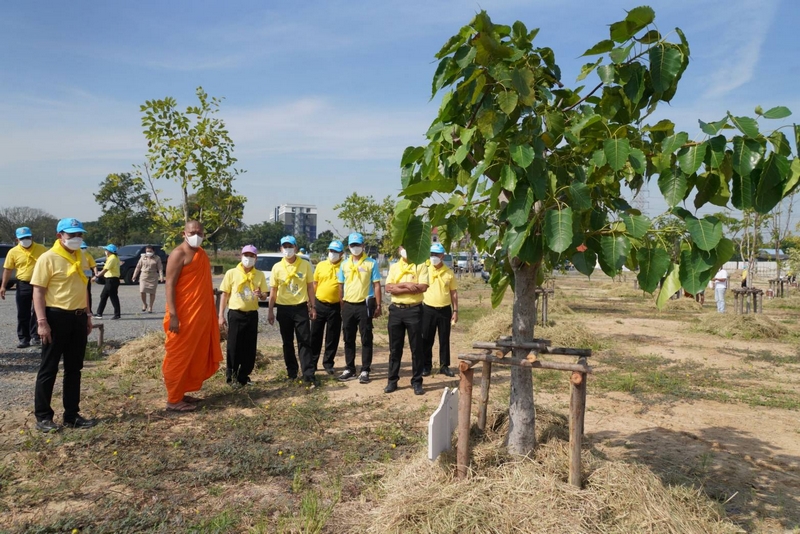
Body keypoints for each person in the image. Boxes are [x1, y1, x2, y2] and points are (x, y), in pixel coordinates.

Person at [31, 218, 97, 432]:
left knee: (74, 368)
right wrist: (42, 322)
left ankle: (72, 415)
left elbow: (84, 287)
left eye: (79, 235)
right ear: (60, 236)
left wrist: (87, 315)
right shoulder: (48, 258)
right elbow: (38, 292)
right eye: (71, 235)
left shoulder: (81, 256)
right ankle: (43, 417)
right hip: (55, 317)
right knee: (49, 368)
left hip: (78, 317)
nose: (76, 238)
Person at [162, 220, 223, 412]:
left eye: (199, 233)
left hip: (200, 316)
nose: (196, 235)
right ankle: (173, 400)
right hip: (183, 316)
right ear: (184, 234)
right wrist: (173, 315)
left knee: (195, 354)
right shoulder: (178, 254)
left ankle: (181, 392)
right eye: (192, 232)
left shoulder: (201, 253)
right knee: (178, 356)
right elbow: (169, 285)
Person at [267, 236, 317, 385]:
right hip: (283, 308)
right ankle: (292, 372)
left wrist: (313, 307)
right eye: (285, 246)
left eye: (290, 246)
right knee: (287, 342)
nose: (288, 249)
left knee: (304, 341)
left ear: (296, 248)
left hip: (300, 308)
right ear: (281, 248)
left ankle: (308, 374)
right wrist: (270, 310)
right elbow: (273, 290)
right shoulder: (277, 267)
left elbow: (310, 287)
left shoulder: (304, 265)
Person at [218, 245, 267, 388]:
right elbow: (225, 294)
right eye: (246, 255)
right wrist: (220, 315)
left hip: (252, 314)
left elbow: (265, 295)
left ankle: (244, 376)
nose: (248, 259)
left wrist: (261, 295)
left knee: (249, 347)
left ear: (256, 258)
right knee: (234, 346)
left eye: (252, 256)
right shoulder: (232, 273)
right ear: (241, 256)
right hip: (236, 314)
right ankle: (231, 377)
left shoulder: (259, 275)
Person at [337, 233, 382, 384]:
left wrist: (378, 305)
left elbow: (376, 285)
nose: (355, 248)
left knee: (366, 338)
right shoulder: (344, 264)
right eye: (352, 245)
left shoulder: (371, 263)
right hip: (348, 305)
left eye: (358, 245)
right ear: (349, 247)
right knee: (348, 338)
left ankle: (365, 370)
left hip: (364, 305)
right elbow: (340, 285)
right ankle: (350, 368)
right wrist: (342, 303)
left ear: (363, 246)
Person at [384, 245, 429, 395]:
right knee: (394, 348)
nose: (406, 250)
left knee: (416, 347)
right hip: (396, 310)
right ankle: (392, 381)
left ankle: (417, 381)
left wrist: (398, 288)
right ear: (399, 250)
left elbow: (423, 287)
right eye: (403, 247)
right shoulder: (394, 267)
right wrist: (407, 285)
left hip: (414, 310)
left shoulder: (420, 265)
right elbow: (388, 288)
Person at [1, 227, 47, 348]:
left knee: (38, 311)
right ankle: (24, 338)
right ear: (17, 240)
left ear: (32, 237)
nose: (26, 240)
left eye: (27, 237)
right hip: (23, 284)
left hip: (39, 284)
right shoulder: (13, 252)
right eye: (22, 238)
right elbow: (8, 269)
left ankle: (36, 336)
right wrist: (3, 286)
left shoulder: (41, 249)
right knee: (23, 312)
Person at [421, 243, 458, 377]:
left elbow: (453, 292)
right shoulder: (425, 269)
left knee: (444, 338)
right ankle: (426, 366)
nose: (434, 257)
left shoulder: (449, 273)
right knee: (426, 338)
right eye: (432, 254)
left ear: (442, 256)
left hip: (444, 310)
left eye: (436, 254)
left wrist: (455, 311)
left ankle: (444, 366)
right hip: (428, 309)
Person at [311, 240, 344, 375]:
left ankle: (328, 363)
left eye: (336, 251)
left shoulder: (345, 266)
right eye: (331, 251)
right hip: (319, 304)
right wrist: (311, 304)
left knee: (332, 336)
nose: (332, 253)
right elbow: (314, 284)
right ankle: (312, 363)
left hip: (336, 306)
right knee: (315, 335)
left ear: (341, 253)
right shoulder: (321, 265)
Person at [132, 245, 165, 313]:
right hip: (144, 276)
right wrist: (134, 275)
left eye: (150, 251)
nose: (148, 252)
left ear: (153, 251)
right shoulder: (142, 257)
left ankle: (150, 307)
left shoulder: (157, 258)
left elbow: (160, 268)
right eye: (147, 251)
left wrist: (161, 276)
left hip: (153, 276)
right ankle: (144, 304)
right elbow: (138, 267)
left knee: (152, 292)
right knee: (142, 291)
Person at [94, 244, 121, 320]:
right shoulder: (113, 257)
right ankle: (99, 313)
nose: (105, 251)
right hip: (110, 279)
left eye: (106, 250)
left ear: (109, 251)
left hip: (111, 279)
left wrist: (97, 276)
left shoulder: (112, 258)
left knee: (113, 297)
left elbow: (105, 269)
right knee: (103, 296)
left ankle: (117, 314)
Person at [80, 242, 98, 314]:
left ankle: (89, 310)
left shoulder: (88, 256)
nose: (83, 249)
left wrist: (96, 274)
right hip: (78, 276)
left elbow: (94, 266)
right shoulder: (76, 255)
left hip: (87, 276)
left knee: (88, 293)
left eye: (84, 248)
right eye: (82, 248)